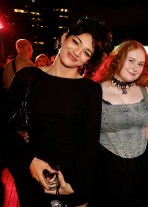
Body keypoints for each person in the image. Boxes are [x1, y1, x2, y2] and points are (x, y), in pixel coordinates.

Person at [0, 16, 112, 207]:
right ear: (64, 37)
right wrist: (30, 161)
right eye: (76, 42)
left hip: (68, 181)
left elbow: (89, 145)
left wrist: (80, 193)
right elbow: (4, 129)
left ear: (89, 59)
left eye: (86, 52)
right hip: (30, 176)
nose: (77, 52)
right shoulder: (27, 77)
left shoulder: (90, 90)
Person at [89, 40, 148, 207]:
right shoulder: (95, 91)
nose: (135, 67)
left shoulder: (147, 91)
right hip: (107, 170)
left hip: (143, 168)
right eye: (131, 60)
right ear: (118, 59)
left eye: (141, 64)